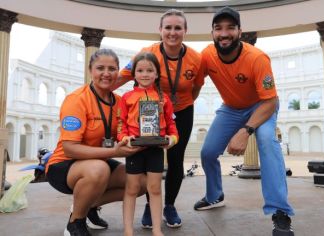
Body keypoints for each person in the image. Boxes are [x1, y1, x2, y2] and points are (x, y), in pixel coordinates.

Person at [194, 6, 295, 236]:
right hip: (231, 108)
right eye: (218, 28)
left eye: (231, 27)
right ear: (212, 33)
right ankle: (214, 195)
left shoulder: (257, 58)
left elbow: (270, 102)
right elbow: (194, 86)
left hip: (261, 106)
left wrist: (246, 130)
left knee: (268, 143)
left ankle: (280, 210)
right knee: (208, 152)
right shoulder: (207, 55)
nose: (224, 33)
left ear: (240, 31)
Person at [115, 9, 204, 228]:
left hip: (181, 111)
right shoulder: (147, 52)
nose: (172, 32)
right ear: (160, 30)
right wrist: (96, 90)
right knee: (148, 156)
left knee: (175, 158)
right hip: (149, 110)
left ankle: (170, 205)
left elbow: (196, 87)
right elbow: (123, 76)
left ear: (185, 31)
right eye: (168, 27)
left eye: (178, 28)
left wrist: (176, 105)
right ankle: (149, 204)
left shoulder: (196, 58)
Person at [45, 49, 144, 236]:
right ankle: (75, 222)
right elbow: (70, 149)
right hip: (64, 166)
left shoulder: (120, 102)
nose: (106, 73)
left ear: (118, 72)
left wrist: (155, 136)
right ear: (91, 70)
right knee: (99, 169)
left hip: (100, 162)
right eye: (100, 68)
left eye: (112, 69)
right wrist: (114, 152)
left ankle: (87, 204)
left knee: (140, 181)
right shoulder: (77, 100)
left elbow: (126, 133)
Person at [117, 52, 179, 236]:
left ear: (157, 74)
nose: (145, 74)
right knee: (132, 189)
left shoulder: (164, 98)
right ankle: (128, 230)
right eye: (140, 70)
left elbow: (172, 126)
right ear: (134, 74)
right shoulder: (126, 97)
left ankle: (157, 230)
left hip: (155, 151)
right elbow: (121, 125)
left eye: (149, 70)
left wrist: (171, 140)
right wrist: (124, 138)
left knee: (155, 188)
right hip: (134, 150)